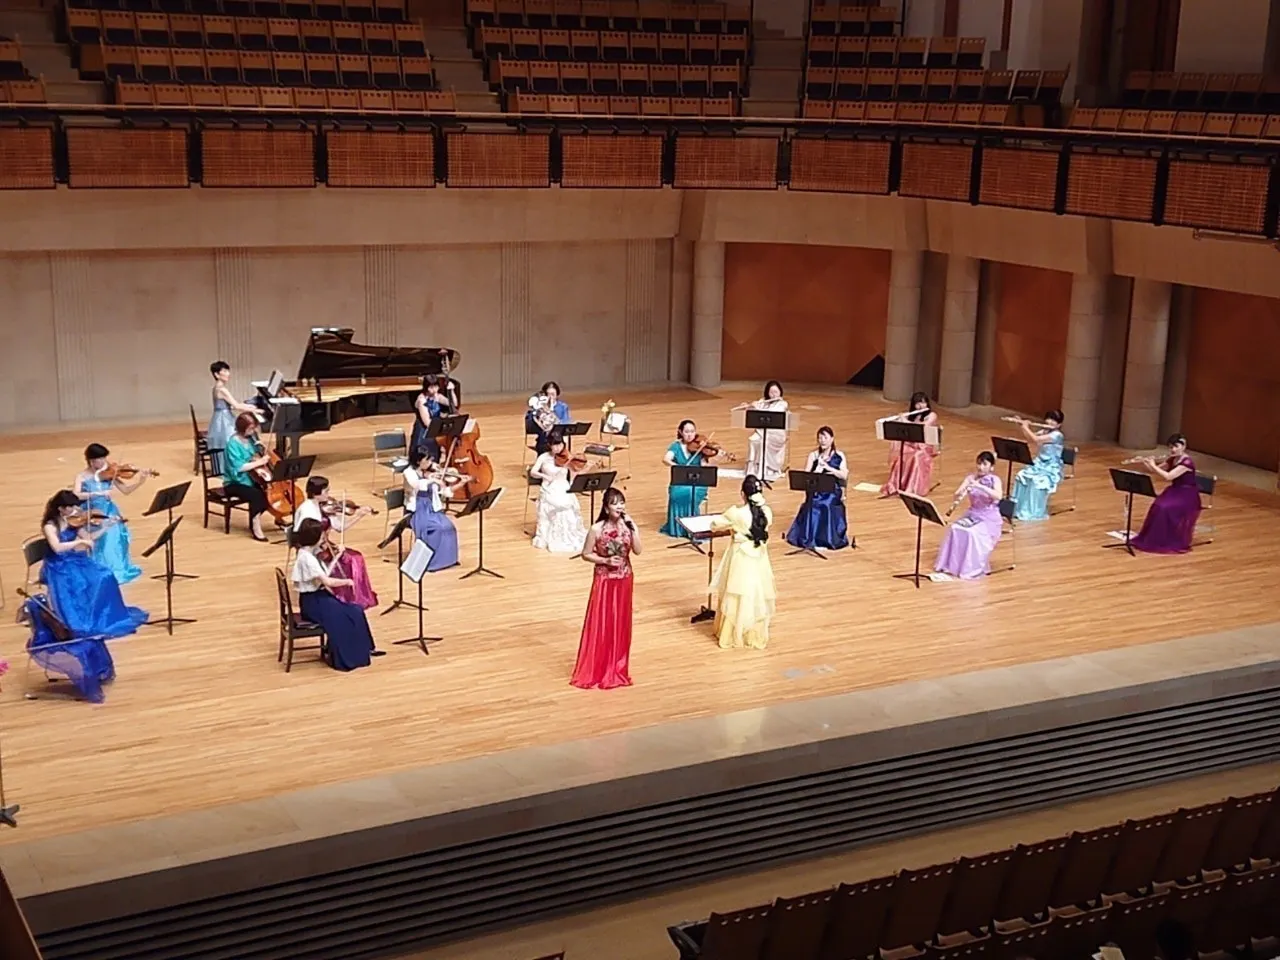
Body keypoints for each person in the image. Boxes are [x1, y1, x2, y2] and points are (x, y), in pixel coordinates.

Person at [39, 490, 148, 642]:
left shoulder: (73, 521)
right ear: (61, 509)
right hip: (58, 564)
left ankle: (100, 615)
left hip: (74, 559)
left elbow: (90, 538)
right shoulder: (50, 526)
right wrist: (79, 542)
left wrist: (106, 526)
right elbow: (57, 548)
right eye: (71, 507)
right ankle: (82, 618)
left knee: (105, 575)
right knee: (81, 582)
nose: (76, 510)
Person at [571, 487, 641, 690]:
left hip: (625, 578)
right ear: (606, 507)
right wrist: (605, 560)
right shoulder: (596, 529)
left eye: (622, 502)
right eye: (615, 503)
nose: (620, 506)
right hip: (604, 579)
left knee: (621, 622)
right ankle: (598, 667)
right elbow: (586, 554)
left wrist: (634, 529)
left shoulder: (628, 526)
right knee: (602, 622)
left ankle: (617, 667)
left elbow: (638, 550)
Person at [291, 518, 382, 671]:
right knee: (347, 615)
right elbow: (328, 581)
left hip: (318, 598)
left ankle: (364, 649)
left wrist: (338, 556)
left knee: (356, 610)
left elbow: (324, 573)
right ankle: (347, 657)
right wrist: (347, 581)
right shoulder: (307, 558)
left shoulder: (308, 552)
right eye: (321, 535)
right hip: (313, 603)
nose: (324, 538)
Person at [707, 475, 776, 650]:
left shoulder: (736, 514)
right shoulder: (767, 512)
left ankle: (731, 633)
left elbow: (715, 524)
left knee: (737, 591)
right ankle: (751, 632)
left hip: (740, 556)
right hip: (759, 556)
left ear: (742, 494)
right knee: (754, 591)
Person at [293, 477, 379, 608]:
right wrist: (321, 545)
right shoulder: (307, 510)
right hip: (313, 548)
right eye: (326, 491)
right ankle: (344, 596)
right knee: (351, 560)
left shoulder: (323, 506)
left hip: (321, 544)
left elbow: (340, 527)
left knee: (356, 556)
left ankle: (355, 595)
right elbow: (302, 535)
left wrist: (359, 515)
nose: (328, 495)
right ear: (316, 493)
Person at [73, 443, 153, 584]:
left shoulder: (109, 474)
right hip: (93, 513)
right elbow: (76, 495)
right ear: (91, 461)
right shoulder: (82, 477)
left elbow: (126, 491)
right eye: (100, 459)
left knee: (115, 540)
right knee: (99, 542)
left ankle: (116, 570)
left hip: (110, 511)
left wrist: (141, 481)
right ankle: (100, 572)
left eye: (104, 458)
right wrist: (98, 493)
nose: (104, 462)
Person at [934, 452, 1005, 579]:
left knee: (972, 534)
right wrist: (961, 492)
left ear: (991, 467)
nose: (980, 467)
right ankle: (955, 565)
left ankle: (970, 567)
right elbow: (956, 494)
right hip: (973, 513)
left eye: (984, 464)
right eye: (979, 463)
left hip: (989, 518)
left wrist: (980, 486)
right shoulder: (971, 478)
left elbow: (998, 496)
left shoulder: (995, 480)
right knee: (954, 528)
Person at [1131, 434, 1202, 554]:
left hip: (1187, 494)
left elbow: (1168, 476)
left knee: (1165, 508)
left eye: (1176, 446)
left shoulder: (1187, 463)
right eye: (1171, 447)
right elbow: (1155, 470)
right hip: (1175, 490)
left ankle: (1166, 539)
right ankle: (1156, 537)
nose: (1173, 449)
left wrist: (1153, 465)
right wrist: (1146, 462)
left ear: (1183, 446)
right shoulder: (1172, 459)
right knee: (1157, 505)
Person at [785, 426, 850, 551]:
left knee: (826, 503)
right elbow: (806, 476)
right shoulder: (813, 455)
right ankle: (811, 538)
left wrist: (829, 468)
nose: (822, 440)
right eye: (820, 438)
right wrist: (818, 469)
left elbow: (844, 475)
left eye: (825, 437)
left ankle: (826, 539)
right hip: (816, 490)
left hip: (832, 490)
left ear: (832, 439)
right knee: (813, 502)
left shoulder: (839, 455)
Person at [401, 448, 462, 571]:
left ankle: (448, 560)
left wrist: (461, 483)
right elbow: (416, 484)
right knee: (436, 529)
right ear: (418, 461)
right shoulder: (408, 473)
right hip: (418, 510)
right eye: (427, 460)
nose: (431, 462)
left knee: (449, 527)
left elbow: (445, 492)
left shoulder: (432, 471)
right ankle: (430, 562)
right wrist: (432, 479)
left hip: (432, 508)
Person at [530, 429, 588, 554]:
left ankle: (567, 533)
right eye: (555, 445)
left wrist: (572, 483)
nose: (558, 448)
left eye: (560, 444)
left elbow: (573, 472)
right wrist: (545, 476)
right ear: (549, 445)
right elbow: (533, 472)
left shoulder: (567, 457)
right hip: (549, 487)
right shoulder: (543, 457)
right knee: (556, 503)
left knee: (567, 504)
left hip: (563, 486)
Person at [222, 412, 272, 541]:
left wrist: (262, 449)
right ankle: (255, 525)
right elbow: (239, 467)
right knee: (256, 495)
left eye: (254, 427)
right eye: (250, 428)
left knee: (269, 494)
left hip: (252, 478)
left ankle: (263, 517)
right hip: (235, 482)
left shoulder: (251, 440)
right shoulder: (232, 444)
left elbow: (255, 456)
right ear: (242, 428)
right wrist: (260, 462)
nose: (253, 431)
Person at [1010, 410, 1066, 522]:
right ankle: (1018, 508)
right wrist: (1021, 425)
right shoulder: (1044, 431)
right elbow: (1030, 438)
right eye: (1049, 418)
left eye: (1054, 420)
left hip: (1050, 467)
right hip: (1039, 464)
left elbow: (1036, 440)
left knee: (1037, 482)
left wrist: (1025, 426)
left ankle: (1032, 512)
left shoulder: (1057, 435)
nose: (1050, 422)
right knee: (1021, 475)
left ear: (1059, 424)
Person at [880, 392, 939, 497]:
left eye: (924, 403)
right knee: (903, 453)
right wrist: (901, 420)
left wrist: (905, 421)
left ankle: (913, 487)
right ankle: (899, 485)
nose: (921, 406)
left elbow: (922, 427)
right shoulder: (912, 416)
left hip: (924, 446)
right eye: (918, 403)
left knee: (916, 456)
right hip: (912, 444)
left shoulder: (932, 415)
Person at [660, 419, 710, 539]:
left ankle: (693, 527)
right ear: (680, 432)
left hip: (697, 483)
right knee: (676, 494)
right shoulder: (676, 446)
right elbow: (666, 459)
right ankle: (679, 528)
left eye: (692, 431)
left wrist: (708, 455)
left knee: (690, 493)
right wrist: (678, 467)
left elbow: (704, 466)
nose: (690, 435)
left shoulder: (700, 446)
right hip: (680, 481)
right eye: (687, 432)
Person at [207, 361, 259, 473]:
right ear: (217, 374)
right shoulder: (222, 390)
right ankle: (242, 462)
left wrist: (250, 407)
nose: (228, 373)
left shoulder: (217, 387)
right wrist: (256, 410)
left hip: (220, 417)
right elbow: (236, 406)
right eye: (225, 371)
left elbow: (232, 405)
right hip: (223, 420)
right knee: (242, 433)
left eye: (228, 371)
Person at [743, 380, 790, 483]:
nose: (774, 395)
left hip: (776, 434)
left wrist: (757, 407)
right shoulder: (763, 401)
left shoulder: (783, 404)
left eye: (776, 392)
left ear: (780, 392)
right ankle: (754, 469)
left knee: (763, 442)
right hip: (762, 431)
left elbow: (773, 414)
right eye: (771, 392)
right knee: (753, 440)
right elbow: (756, 416)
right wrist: (749, 406)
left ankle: (766, 469)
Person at [410, 374, 455, 465]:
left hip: (435, 428)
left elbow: (453, 404)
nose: (434, 389)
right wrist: (441, 429)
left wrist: (451, 390)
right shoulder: (421, 400)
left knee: (435, 459)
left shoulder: (437, 396)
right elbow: (427, 422)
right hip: (424, 432)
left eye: (436, 386)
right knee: (425, 458)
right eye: (431, 387)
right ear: (426, 387)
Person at [526, 380, 572, 456]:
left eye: (553, 394)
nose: (550, 397)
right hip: (544, 441)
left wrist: (552, 414)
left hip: (558, 440)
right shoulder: (539, 407)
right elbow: (532, 424)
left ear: (557, 394)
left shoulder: (563, 406)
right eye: (548, 394)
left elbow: (566, 422)